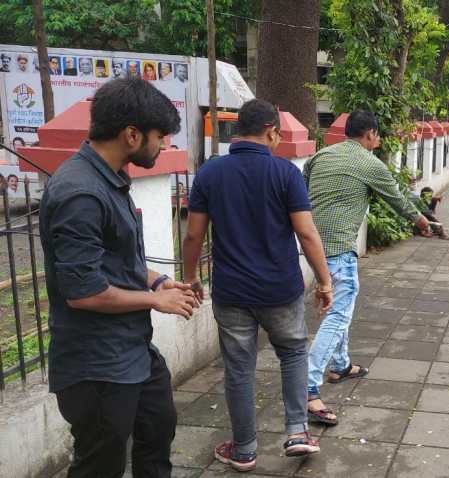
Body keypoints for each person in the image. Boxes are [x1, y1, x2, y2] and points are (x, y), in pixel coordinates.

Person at [38, 77, 198, 477]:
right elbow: (82, 291)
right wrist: (155, 301)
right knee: (100, 465)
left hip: (132, 351)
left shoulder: (108, 181)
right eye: (160, 137)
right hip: (96, 366)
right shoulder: (80, 194)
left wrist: (158, 282)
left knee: (158, 431)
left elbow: (117, 260)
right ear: (131, 134)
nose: (164, 147)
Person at [182, 99, 333, 469]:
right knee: (294, 353)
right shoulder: (286, 173)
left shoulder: (210, 174)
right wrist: (325, 281)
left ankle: (245, 449)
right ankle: (298, 432)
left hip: (232, 292)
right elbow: (307, 233)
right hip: (281, 290)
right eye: (278, 134)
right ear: (270, 131)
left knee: (238, 367)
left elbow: (193, 236)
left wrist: (188, 278)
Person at [303, 110, 430, 425]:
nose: (379, 140)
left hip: (312, 246)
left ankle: (341, 365)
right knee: (337, 315)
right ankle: (306, 387)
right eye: (378, 135)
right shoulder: (370, 164)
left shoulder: (319, 157)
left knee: (342, 306)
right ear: (370, 134)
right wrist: (421, 220)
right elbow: (397, 198)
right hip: (339, 250)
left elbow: (303, 191)